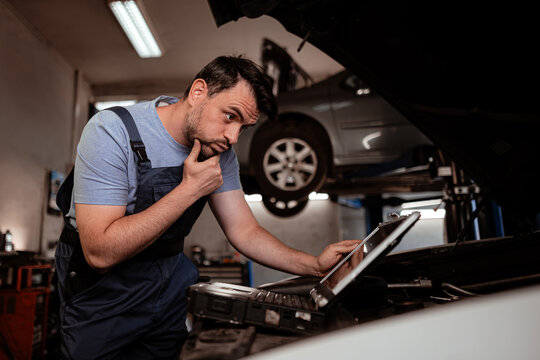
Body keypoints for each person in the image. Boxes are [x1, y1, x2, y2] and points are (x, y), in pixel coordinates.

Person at [55, 55, 361, 359]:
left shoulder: (219, 151)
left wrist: (315, 267)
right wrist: (189, 190)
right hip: (102, 297)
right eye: (230, 116)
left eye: (243, 127)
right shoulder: (112, 131)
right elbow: (100, 252)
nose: (232, 138)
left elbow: (244, 230)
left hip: (166, 291)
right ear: (198, 92)